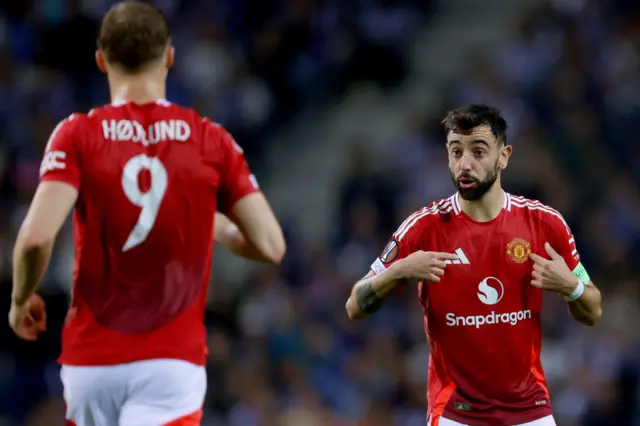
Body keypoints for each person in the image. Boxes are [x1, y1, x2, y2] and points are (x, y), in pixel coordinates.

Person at [8, 2, 285, 425]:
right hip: (169, 362)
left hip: (92, 363)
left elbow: (34, 239)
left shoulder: (76, 134)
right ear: (170, 56)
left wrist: (20, 298)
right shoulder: (210, 139)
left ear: (101, 61)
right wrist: (215, 226)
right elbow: (270, 245)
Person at [345, 104, 602, 426]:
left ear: (504, 155)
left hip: (530, 411)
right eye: (456, 152)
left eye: (478, 151)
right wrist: (399, 271)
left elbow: (592, 309)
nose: (465, 163)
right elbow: (355, 304)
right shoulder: (422, 228)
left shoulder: (545, 224)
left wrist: (572, 287)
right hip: (456, 414)